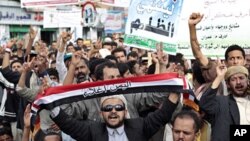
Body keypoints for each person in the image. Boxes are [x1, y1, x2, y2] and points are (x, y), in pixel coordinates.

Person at [51, 93, 179, 141]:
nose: (113, 111)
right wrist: (51, 104)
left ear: (125, 111)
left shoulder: (140, 126)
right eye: (107, 108)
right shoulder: (93, 131)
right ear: (101, 113)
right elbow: (69, 126)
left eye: (118, 108)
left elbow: (162, 116)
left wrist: (174, 93)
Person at [199, 60, 250, 141]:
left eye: (241, 78)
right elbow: (205, 103)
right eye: (233, 79)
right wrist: (219, 77)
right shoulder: (221, 102)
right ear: (228, 84)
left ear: (248, 81)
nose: (238, 82)